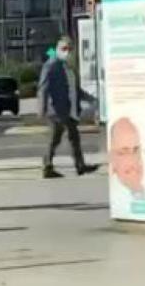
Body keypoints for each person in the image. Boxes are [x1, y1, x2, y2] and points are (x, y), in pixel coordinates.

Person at [38, 36, 99, 179]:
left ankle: (79, 166)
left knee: (72, 138)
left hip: (69, 109)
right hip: (56, 110)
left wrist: (91, 99)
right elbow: (43, 88)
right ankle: (49, 166)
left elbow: (75, 89)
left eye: (69, 49)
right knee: (56, 138)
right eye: (64, 49)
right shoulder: (51, 65)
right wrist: (42, 108)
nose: (67, 52)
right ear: (58, 49)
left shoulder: (68, 67)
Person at [109, 117, 145, 201]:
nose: (132, 160)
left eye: (136, 150)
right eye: (123, 153)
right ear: (112, 157)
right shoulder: (116, 200)